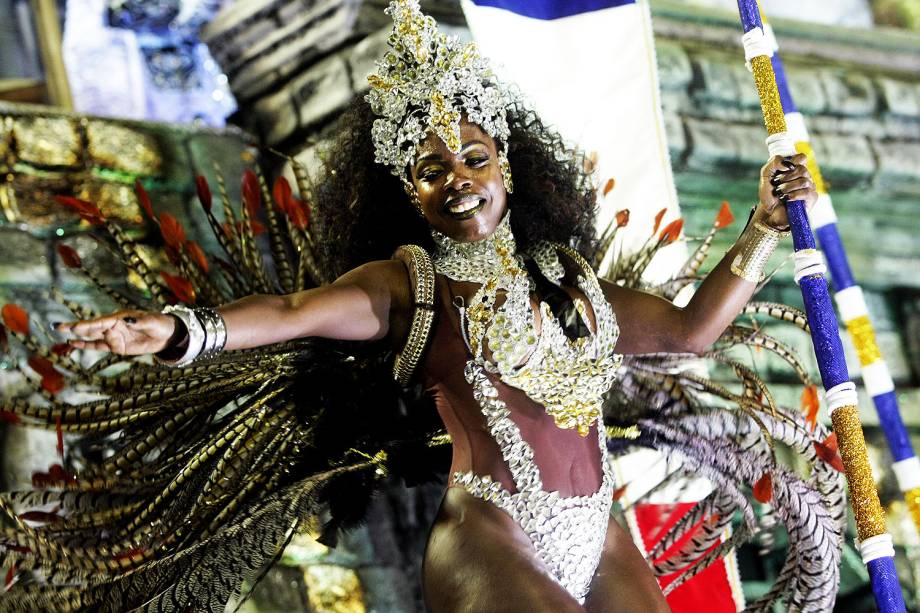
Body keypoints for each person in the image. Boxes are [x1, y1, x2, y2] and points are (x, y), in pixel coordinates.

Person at [8, 2, 837, 612]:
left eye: (474, 157)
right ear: (409, 191)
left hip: (602, 529)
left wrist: (764, 223)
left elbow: (692, 329)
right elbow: (294, 310)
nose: (459, 180)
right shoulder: (407, 287)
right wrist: (182, 330)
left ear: (510, 169)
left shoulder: (573, 279)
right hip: (491, 540)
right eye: (432, 170)